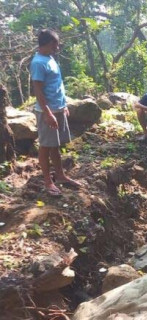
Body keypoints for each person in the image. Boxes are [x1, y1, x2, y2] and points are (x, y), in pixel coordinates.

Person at [31, 29, 82, 197]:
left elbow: (57, 83)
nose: (57, 47)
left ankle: (60, 176)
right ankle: (48, 181)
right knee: (46, 146)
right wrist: (47, 113)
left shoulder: (50, 58)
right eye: (55, 44)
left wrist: (64, 105)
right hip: (47, 111)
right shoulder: (38, 62)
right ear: (46, 43)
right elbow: (38, 90)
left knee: (56, 144)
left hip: (58, 108)